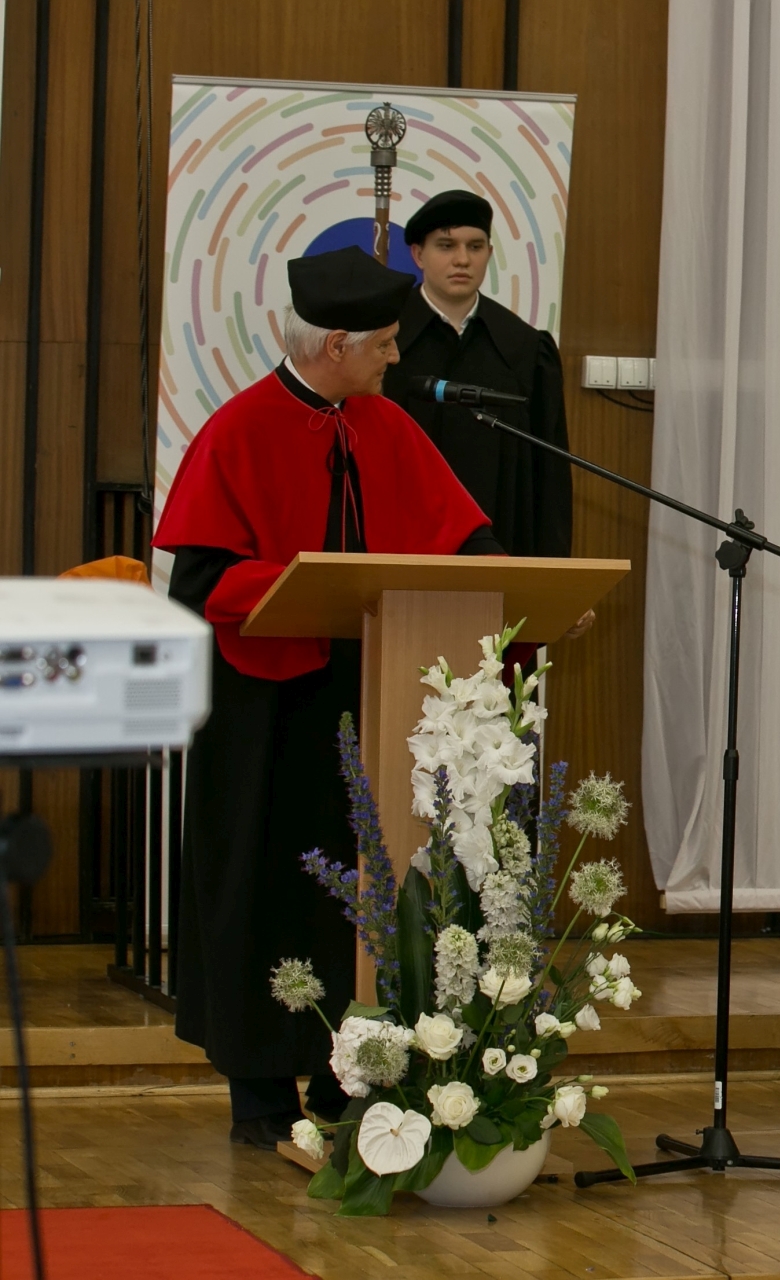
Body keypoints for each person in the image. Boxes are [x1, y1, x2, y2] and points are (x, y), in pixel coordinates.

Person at [153, 247, 507, 1149]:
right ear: (337, 345)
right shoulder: (238, 430)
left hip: (373, 700)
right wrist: (299, 584)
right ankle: (262, 1092)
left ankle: (356, 1080)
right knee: (264, 893)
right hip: (263, 714)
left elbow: (462, 542)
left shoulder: (390, 426)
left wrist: (520, 594)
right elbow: (200, 583)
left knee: (363, 895)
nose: (397, 356)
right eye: (385, 343)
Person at [384, 189, 573, 557]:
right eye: (446, 246)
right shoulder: (385, 341)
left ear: (489, 252)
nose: (462, 260)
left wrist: (552, 569)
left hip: (499, 543)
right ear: (418, 255)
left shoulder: (523, 348)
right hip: (399, 544)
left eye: (475, 246)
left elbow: (549, 475)